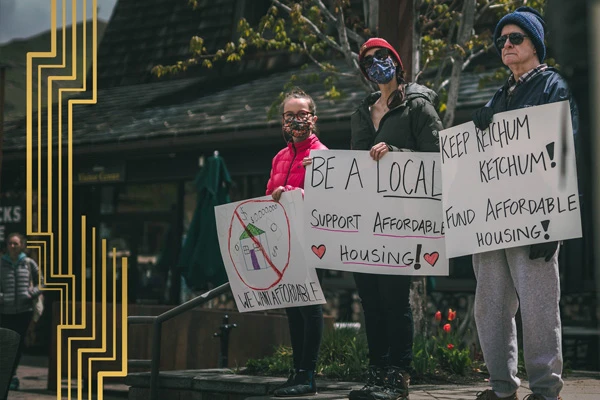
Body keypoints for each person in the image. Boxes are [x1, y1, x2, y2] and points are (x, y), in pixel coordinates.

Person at [470, 7, 578, 400]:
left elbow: (567, 152)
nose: (506, 45)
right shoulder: (502, 93)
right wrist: (483, 123)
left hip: (536, 219)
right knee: (491, 307)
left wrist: (557, 220)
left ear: (536, 45)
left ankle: (545, 390)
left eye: (516, 38)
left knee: (538, 308)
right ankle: (501, 387)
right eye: (501, 41)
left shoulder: (554, 87)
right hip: (492, 219)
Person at [349, 38, 443, 400]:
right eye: (369, 61)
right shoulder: (360, 113)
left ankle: (398, 376)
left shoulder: (418, 107)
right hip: (363, 223)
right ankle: (376, 371)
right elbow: (353, 167)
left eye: (382, 56)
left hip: (401, 223)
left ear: (396, 60)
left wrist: (396, 154)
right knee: (370, 300)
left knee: (394, 298)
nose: (377, 63)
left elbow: (437, 159)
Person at [266, 87, 327, 397]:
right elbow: (268, 197)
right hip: (283, 242)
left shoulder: (322, 154)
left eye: (301, 115)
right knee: (292, 305)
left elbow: (332, 201)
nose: (294, 121)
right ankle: (297, 371)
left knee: (309, 305)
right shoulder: (279, 157)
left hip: (311, 240)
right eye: (288, 116)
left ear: (312, 119)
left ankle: (308, 375)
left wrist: (302, 195)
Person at [0, 233, 43, 394]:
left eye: (16, 244)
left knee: (18, 346)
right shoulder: (1, 264)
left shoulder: (28, 263)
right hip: (5, 312)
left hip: (24, 312)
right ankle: (7, 375)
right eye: (10, 243)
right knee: (5, 346)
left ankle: (12, 375)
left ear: (22, 245)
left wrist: (31, 293)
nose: (13, 246)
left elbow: (42, 283)